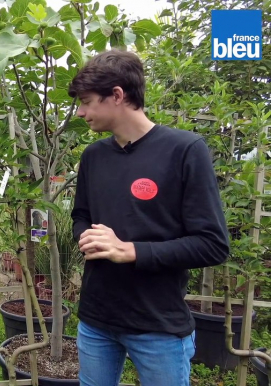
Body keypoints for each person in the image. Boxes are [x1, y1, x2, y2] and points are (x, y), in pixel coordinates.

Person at [68, 50, 229, 386]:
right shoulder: (94, 156)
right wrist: (85, 235)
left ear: (116, 95)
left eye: (86, 101)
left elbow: (212, 245)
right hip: (96, 320)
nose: (80, 112)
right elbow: (81, 215)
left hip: (158, 325)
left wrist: (132, 251)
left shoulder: (184, 150)